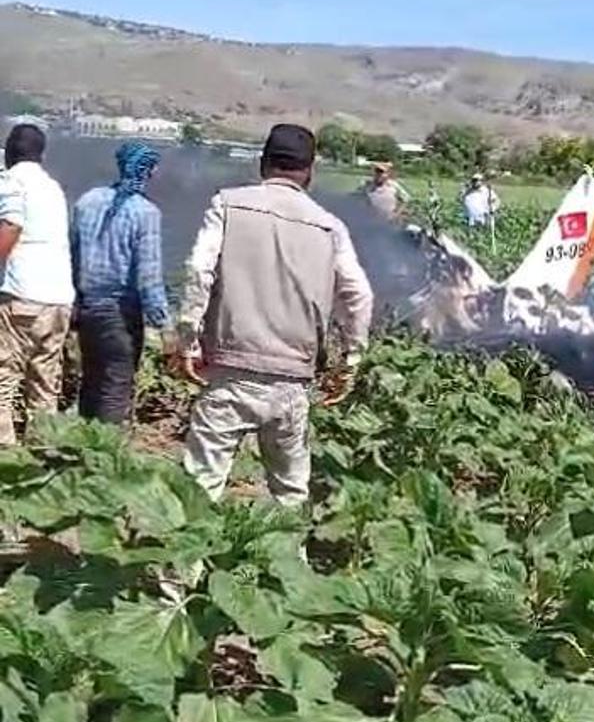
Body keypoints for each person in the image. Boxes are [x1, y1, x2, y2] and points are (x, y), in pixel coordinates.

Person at [176, 123, 373, 504]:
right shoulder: (330, 227)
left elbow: (199, 270)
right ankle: (288, 561)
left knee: (199, 489)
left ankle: (188, 566)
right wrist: (349, 362)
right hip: (293, 379)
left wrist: (187, 340)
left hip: (232, 371)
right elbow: (359, 297)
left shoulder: (228, 204)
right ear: (309, 171)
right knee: (290, 491)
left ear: (262, 163)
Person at [70, 141, 170, 425]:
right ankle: (105, 456)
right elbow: (148, 279)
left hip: (88, 312)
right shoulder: (146, 213)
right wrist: (165, 327)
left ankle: (78, 453)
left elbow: (73, 258)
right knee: (115, 388)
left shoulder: (88, 201)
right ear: (148, 171)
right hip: (120, 316)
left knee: (90, 383)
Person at [0, 125, 74, 444]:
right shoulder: (53, 187)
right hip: (58, 298)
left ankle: (5, 453)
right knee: (44, 383)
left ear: (8, 152)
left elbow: (12, 224)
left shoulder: (11, 182)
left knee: (4, 378)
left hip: (22, 294)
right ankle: (40, 455)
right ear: (41, 154)